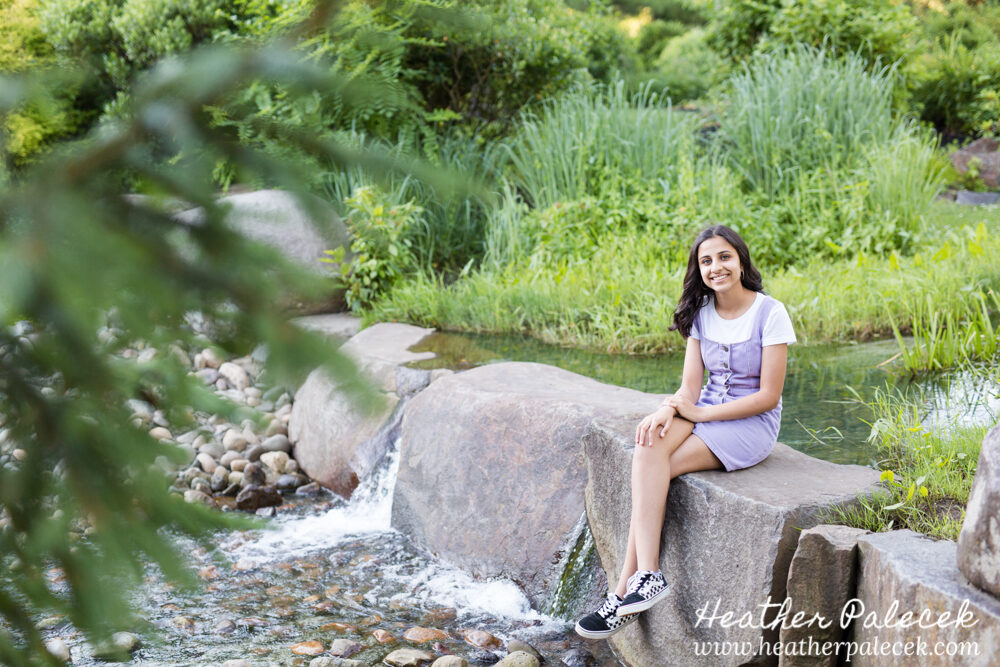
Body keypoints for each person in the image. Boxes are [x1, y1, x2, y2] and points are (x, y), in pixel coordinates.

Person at [575, 224, 796, 639]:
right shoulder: (701, 314)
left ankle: (622, 590)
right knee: (648, 444)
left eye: (725, 257)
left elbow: (768, 396)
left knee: (653, 472)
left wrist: (696, 414)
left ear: (741, 260)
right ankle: (646, 579)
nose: (717, 267)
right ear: (699, 269)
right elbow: (690, 386)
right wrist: (667, 409)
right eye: (706, 261)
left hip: (750, 425)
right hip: (704, 408)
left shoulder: (771, 312)